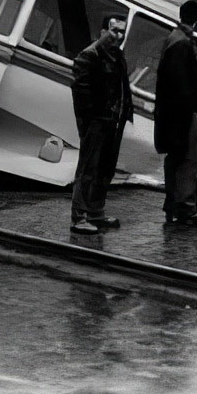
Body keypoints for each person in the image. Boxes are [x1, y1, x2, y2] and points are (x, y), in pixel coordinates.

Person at [69, 14, 133, 235]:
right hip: (96, 122)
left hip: (111, 121)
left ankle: (95, 211)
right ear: (103, 31)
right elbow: (80, 93)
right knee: (88, 169)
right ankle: (79, 217)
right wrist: (91, 120)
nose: (119, 36)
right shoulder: (90, 55)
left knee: (105, 168)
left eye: (122, 32)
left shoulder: (116, 56)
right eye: (115, 31)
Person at [154, 0, 197, 226]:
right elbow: (182, 83)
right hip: (181, 114)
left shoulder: (175, 38)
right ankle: (184, 206)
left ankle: (173, 204)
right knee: (187, 159)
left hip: (173, 112)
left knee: (175, 159)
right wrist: (191, 107)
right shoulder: (183, 43)